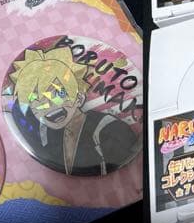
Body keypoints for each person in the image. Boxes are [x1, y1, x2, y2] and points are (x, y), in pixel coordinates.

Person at [9, 46, 140, 176]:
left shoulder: (110, 129)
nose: (49, 105)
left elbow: (127, 164)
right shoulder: (48, 134)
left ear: (79, 97)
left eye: (59, 93)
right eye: (35, 100)